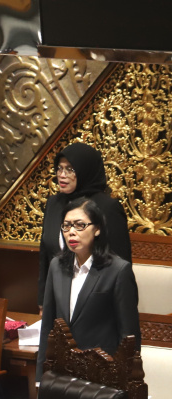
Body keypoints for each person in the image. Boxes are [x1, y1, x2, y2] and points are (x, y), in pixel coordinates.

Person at [36, 196, 140, 381]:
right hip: (62, 374)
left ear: (97, 229)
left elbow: (129, 337)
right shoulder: (57, 266)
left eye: (79, 225)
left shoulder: (117, 270)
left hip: (102, 376)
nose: (71, 232)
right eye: (66, 226)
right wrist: (40, 378)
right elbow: (47, 330)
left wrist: (127, 383)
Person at [38, 142, 131, 309]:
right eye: (59, 168)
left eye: (70, 169)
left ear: (85, 170)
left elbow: (121, 263)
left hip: (97, 302)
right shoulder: (54, 203)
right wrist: (42, 302)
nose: (62, 175)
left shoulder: (107, 207)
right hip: (58, 298)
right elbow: (45, 255)